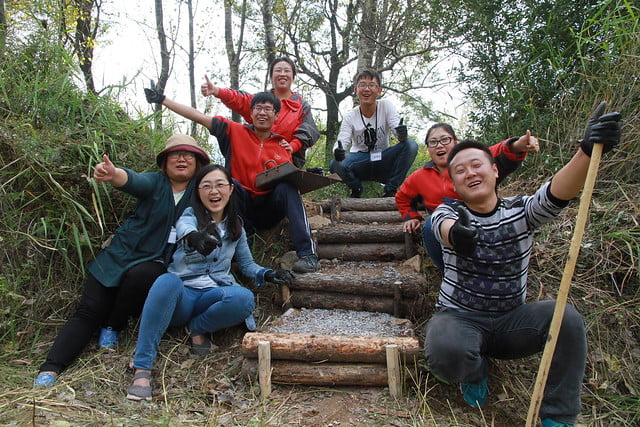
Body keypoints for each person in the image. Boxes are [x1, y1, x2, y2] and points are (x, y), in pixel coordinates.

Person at [424, 106, 621, 426]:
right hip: (460, 318)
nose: (470, 173)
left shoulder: (521, 211)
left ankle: (558, 415)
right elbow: (441, 227)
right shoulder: (449, 213)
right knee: (443, 345)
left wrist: (586, 151)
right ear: (454, 185)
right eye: (460, 171)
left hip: (511, 322)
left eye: (477, 165)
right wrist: (458, 235)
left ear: (495, 171)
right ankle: (475, 373)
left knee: (566, 318)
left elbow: (557, 192)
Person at [34, 135, 210, 387]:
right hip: (119, 255)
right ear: (164, 162)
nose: (181, 159)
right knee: (88, 311)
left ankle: (113, 325)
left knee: (146, 275)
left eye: (189, 155)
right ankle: (51, 368)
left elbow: (225, 191)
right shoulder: (155, 182)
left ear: (198, 162)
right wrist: (113, 173)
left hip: (154, 263)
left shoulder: (200, 190)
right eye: (175, 154)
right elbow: (133, 180)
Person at [126, 164, 294, 401]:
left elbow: (247, 265)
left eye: (219, 185)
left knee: (243, 298)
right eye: (206, 186)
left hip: (211, 297)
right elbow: (185, 228)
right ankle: (142, 368)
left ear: (230, 189)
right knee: (166, 281)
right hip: (181, 297)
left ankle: (198, 327)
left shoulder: (237, 226)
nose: (214, 191)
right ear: (198, 192)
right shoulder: (189, 216)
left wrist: (268, 274)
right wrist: (194, 237)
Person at [144, 85, 319, 273]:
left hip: (268, 209)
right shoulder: (233, 131)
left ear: (276, 116)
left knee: (287, 187)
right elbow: (198, 116)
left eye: (268, 109)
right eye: (258, 108)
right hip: (239, 206)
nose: (262, 113)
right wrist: (163, 100)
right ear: (250, 113)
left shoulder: (282, 147)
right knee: (228, 184)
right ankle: (230, 251)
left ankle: (308, 255)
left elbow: (287, 177)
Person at [396, 122, 540, 271]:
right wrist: (411, 216)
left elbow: (496, 151)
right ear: (428, 148)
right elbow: (402, 197)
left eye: (445, 139)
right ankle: (448, 272)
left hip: (483, 216)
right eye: (433, 142)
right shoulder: (420, 176)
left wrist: (517, 145)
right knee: (430, 225)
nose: (439, 145)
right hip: (445, 224)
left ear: (455, 142)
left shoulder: (472, 161)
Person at [200, 56, 320, 168]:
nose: (282, 74)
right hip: (254, 159)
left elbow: (309, 131)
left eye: (287, 71)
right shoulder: (260, 101)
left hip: (284, 163)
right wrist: (217, 91)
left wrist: (292, 147)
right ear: (271, 76)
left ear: (293, 76)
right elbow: (240, 99)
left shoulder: (302, 106)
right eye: (278, 70)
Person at [330, 68, 418, 198]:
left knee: (410, 145)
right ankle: (356, 189)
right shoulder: (350, 117)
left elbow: (397, 131)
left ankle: (390, 190)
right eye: (362, 85)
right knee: (335, 163)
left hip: (382, 158)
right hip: (360, 161)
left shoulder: (386, 105)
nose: (367, 89)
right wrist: (338, 151)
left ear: (379, 90)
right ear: (356, 90)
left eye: (371, 85)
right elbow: (342, 141)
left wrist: (402, 134)